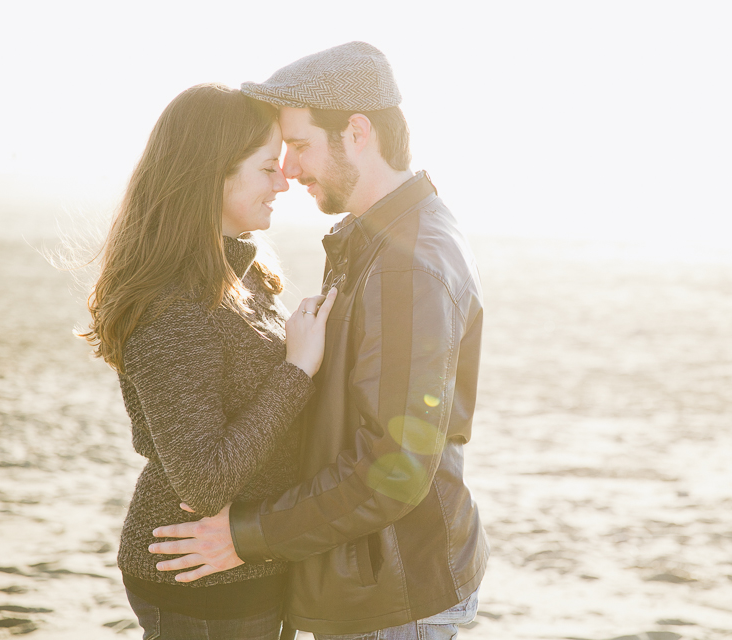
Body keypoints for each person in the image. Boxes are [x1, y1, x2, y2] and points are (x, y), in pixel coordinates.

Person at [149, 42, 489, 639]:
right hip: (375, 575)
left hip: (390, 591)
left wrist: (247, 535)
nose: (290, 171)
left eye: (300, 146)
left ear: (357, 132)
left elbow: (393, 467)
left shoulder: (407, 262)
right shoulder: (380, 238)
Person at [81, 83, 337, 640]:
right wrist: (297, 371)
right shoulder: (175, 305)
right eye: (268, 167)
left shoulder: (237, 274)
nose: (284, 180)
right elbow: (202, 481)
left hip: (242, 569)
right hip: (201, 583)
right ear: (213, 174)